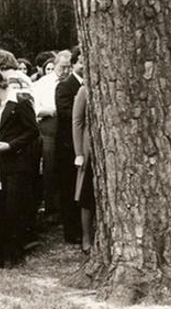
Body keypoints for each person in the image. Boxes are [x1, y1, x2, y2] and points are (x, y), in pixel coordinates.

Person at [0, 69, 40, 268]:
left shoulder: (20, 103)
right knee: (1, 207)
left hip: (19, 162)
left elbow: (33, 131)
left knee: (15, 207)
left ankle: (14, 253)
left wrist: (12, 145)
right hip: (2, 163)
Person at [33, 50, 72, 218]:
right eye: (62, 67)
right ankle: (51, 209)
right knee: (49, 167)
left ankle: (66, 208)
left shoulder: (71, 82)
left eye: (68, 67)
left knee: (67, 166)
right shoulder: (43, 83)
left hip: (68, 126)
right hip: (49, 125)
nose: (65, 71)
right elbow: (35, 108)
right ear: (55, 65)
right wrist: (51, 111)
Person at [55, 46, 84, 244]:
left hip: (85, 143)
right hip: (68, 146)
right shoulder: (65, 86)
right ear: (73, 64)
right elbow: (66, 113)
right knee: (69, 189)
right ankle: (71, 232)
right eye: (81, 62)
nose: (84, 66)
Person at [72, 85, 94, 254]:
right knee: (87, 194)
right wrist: (79, 151)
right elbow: (77, 121)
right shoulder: (84, 90)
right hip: (89, 148)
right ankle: (86, 237)